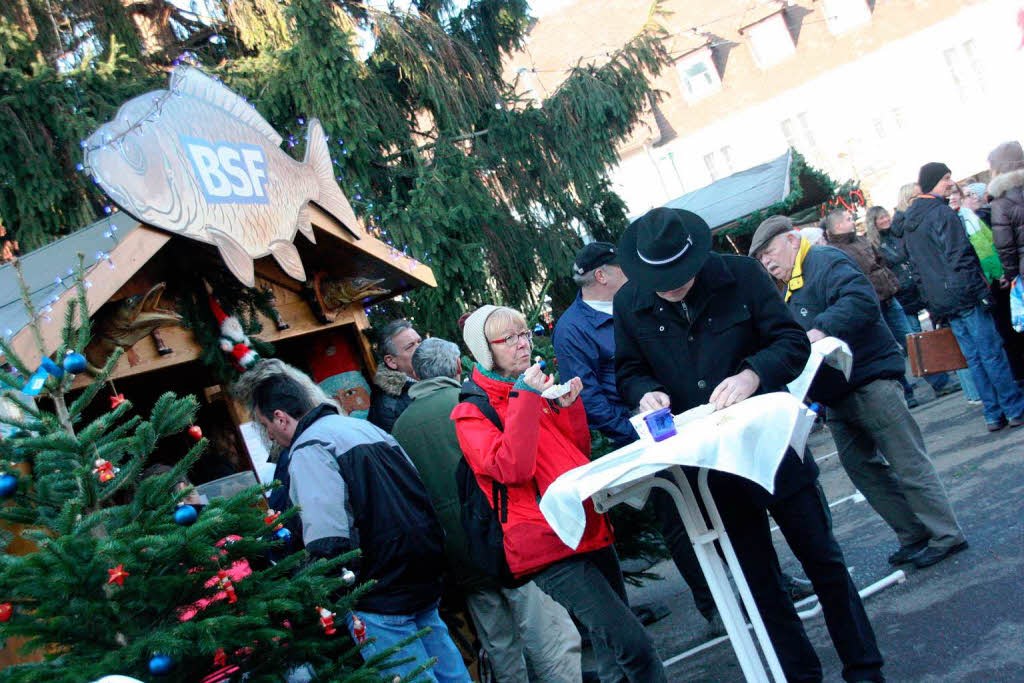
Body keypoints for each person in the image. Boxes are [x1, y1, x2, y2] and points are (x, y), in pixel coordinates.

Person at [615, 207, 883, 683]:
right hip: (711, 464)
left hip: (771, 444)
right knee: (760, 581)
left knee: (822, 558)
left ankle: (864, 668)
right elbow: (629, 370)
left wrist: (752, 373)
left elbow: (791, 342)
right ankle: (801, 676)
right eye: (661, 281)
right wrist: (644, 394)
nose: (671, 287)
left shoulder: (740, 275)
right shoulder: (630, 302)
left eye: (679, 278)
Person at [453, 305, 666, 683]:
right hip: (546, 545)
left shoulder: (530, 390)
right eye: (510, 339)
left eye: (524, 335)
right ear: (485, 351)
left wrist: (567, 409)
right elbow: (513, 469)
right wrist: (525, 398)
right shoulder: (472, 413)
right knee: (633, 645)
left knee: (612, 653)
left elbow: (575, 456)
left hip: (586, 524)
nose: (523, 345)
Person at [750, 216, 968, 570]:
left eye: (769, 252)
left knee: (906, 461)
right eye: (761, 259)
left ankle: (945, 534)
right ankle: (914, 534)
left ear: (792, 240)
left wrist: (821, 330)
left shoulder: (824, 261)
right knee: (861, 468)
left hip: (868, 379)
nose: (767, 262)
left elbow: (861, 300)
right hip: (837, 393)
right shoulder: (790, 283)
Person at [238, 359, 469, 682]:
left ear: (280, 417)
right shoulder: (364, 428)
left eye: (267, 426)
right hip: (423, 571)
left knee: (409, 674)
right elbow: (419, 491)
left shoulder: (310, 449)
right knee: (449, 671)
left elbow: (328, 541)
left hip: (377, 590)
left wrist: (326, 590)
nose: (271, 436)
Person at [392, 338, 583, 683]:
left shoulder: (400, 428)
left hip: (461, 557)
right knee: (551, 640)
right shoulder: (472, 404)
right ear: (457, 367)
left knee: (501, 650)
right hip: (509, 539)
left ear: (417, 374)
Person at [552, 241, 723, 626]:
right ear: (602, 275)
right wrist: (636, 432)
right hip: (644, 436)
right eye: (624, 268)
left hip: (686, 418)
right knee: (680, 518)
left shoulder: (638, 300)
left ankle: (764, 582)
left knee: (723, 499)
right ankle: (714, 607)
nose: (634, 274)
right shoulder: (572, 329)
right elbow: (588, 398)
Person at [897, 162, 1024, 431]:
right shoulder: (941, 213)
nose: (950, 183)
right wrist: (982, 293)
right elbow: (961, 256)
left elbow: (918, 268)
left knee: (974, 358)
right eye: (946, 178)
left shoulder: (911, 221)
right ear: (933, 181)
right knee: (991, 353)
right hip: (964, 294)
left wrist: (933, 302)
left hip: (943, 299)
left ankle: (993, 414)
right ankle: (1013, 409)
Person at [823, 208, 920, 407]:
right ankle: (906, 392)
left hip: (889, 298)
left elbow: (880, 263)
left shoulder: (861, 240)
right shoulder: (835, 252)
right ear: (838, 225)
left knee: (911, 339)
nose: (853, 221)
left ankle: (939, 381)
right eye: (849, 219)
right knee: (890, 348)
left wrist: (892, 284)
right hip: (872, 304)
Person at [869, 204, 959, 399]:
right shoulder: (874, 245)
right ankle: (939, 381)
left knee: (931, 333)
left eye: (886, 216)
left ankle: (945, 373)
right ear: (873, 223)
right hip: (900, 294)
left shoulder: (898, 235)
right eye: (880, 218)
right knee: (915, 340)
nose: (885, 220)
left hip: (916, 288)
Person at [368, 319, 421, 432]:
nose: (420, 348)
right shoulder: (387, 406)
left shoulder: (436, 377)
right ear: (391, 361)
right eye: (410, 346)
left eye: (419, 342)